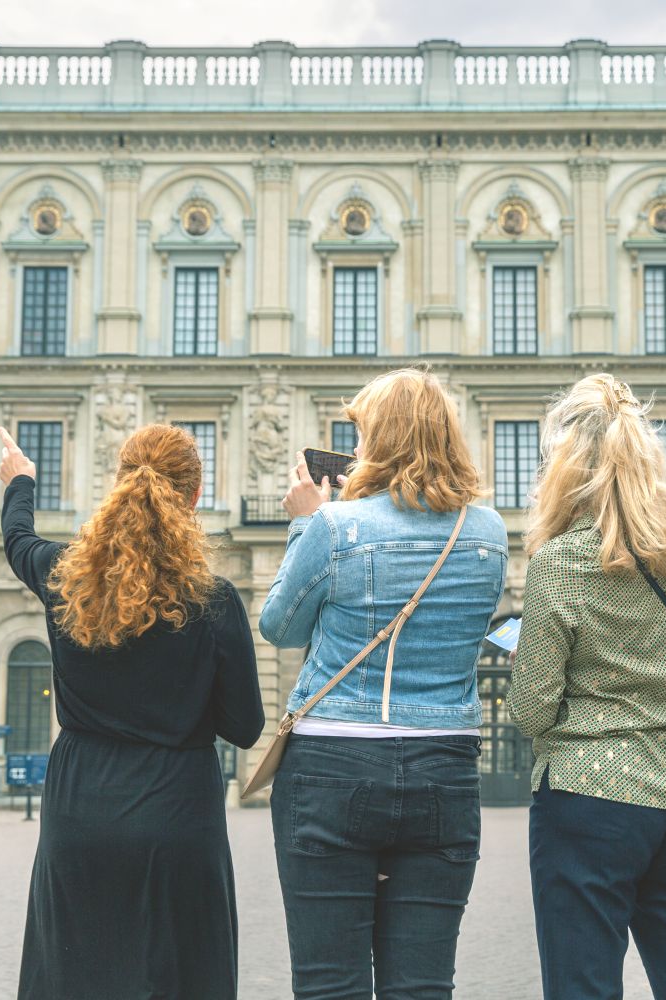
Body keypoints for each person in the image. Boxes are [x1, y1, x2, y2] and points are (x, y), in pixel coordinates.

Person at [258, 367, 509, 1000]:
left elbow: (280, 626)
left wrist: (306, 524)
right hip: (443, 765)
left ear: (382, 440)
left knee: (329, 983)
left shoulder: (336, 529)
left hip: (330, 763)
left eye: (364, 433)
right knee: (424, 985)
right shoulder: (488, 534)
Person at [0, 422, 264, 1000]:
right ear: (194, 497)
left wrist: (21, 481)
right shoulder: (213, 601)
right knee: (180, 977)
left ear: (120, 485)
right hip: (178, 812)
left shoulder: (64, 576)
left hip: (81, 808)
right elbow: (244, 728)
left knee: (78, 975)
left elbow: (17, 539)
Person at [509, 374, 666, 1000]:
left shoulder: (562, 560)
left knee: (583, 979)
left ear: (567, 465)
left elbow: (531, 708)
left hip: (591, 793)